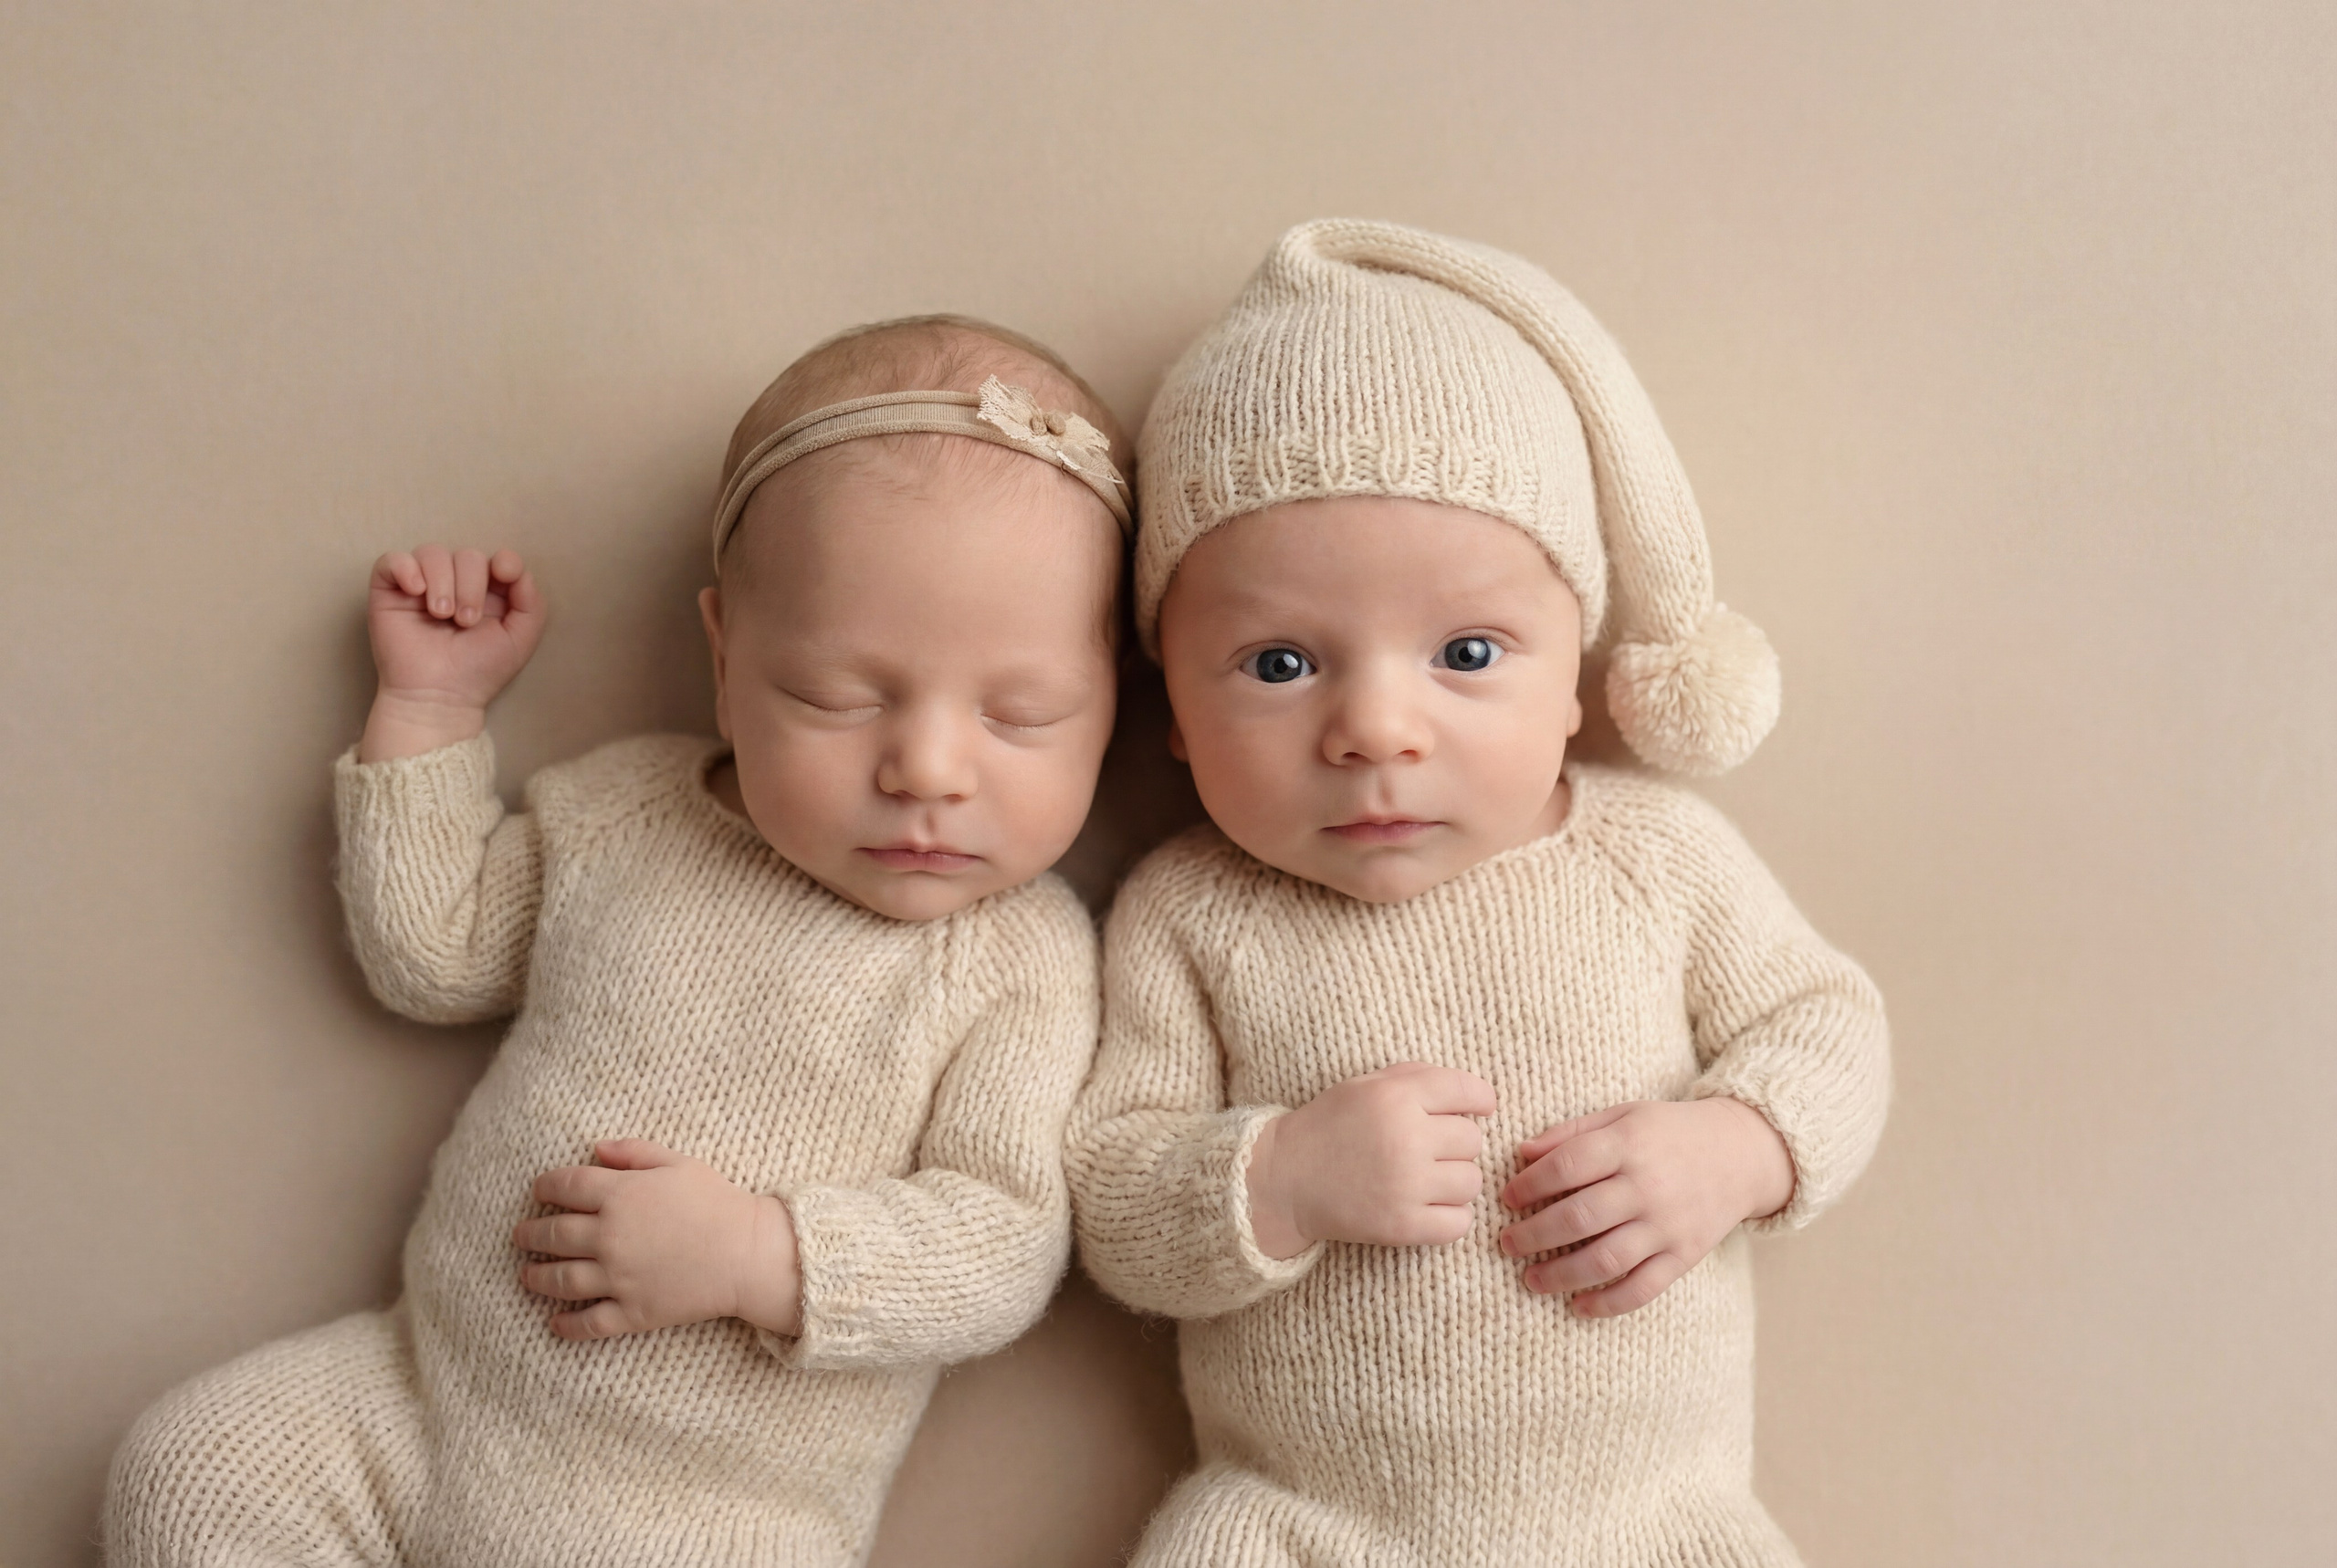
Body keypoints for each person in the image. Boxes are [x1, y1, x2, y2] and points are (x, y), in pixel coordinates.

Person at [107, 316, 1129, 1568]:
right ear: (724, 657)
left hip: (707, 1516)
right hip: (427, 1406)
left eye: (1022, 713)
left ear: (1113, 709)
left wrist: (764, 1252)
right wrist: (428, 712)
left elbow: (1000, 1238)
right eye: (835, 696)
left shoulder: (1018, 958)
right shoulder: (630, 812)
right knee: (198, 1466)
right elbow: (435, 954)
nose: (925, 766)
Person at [1068, 221, 1892, 1566]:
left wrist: (1737, 1148)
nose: (1375, 728)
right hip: (1307, 1524)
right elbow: (1110, 1191)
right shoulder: (1192, 915)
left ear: (1576, 677)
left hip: (1648, 1522)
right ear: (1168, 704)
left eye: (1465, 651)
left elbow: (1829, 1020)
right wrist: (1275, 1178)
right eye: (1278, 663)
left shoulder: (1656, 858)